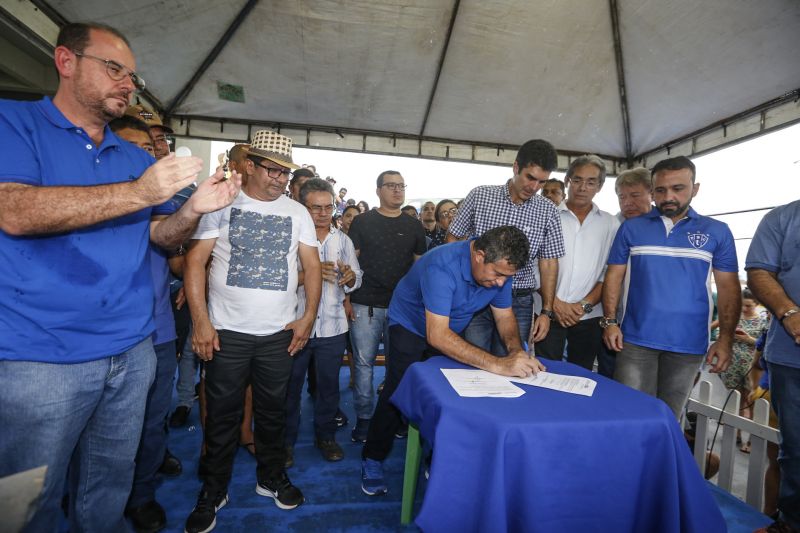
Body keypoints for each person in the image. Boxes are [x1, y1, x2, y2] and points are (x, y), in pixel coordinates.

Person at [0, 22, 240, 532]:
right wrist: (137, 193)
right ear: (66, 61)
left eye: (132, 75)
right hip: (40, 356)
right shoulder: (12, 121)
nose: (128, 84)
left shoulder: (133, 158)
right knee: (24, 498)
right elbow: (13, 210)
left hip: (132, 350)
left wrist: (194, 209)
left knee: (107, 486)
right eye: (114, 69)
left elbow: (161, 235)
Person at [183, 130, 320, 532]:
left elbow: (312, 267)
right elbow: (195, 263)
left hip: (279, 334)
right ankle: (214, 488)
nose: (280, 179)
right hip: (227, 333)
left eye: (285, 172)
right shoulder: (223, 204)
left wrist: (308, 317)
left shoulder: (297, 213)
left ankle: (271, 476)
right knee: (222, 416)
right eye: (273, 170)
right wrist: (201, 322)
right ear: (248, 165)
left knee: (273, 411)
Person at [360, 226, 545, 495]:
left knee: (448, 395)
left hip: (449, 328)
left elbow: (504, 317)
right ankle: (373, 457)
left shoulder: (499, 270)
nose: (501, 283)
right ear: (479, 255)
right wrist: (498, 364)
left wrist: (515, 351)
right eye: (498, 275)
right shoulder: (441, 265)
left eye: (508, 277)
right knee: (398, 390)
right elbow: (436, 335)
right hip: (410, 325)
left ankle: (435, 458)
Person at [601, 156, 739, 419]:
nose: (669, 197)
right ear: (652, 191)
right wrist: (609, 322)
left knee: (669, 418)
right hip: (635, 341)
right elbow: (613, 277)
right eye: (661, 190)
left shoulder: (717, 231)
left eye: (678, 188)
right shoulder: (631, 228)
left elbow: (728, 288)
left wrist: (725, 339)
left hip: (688, 344)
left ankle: (662, 463)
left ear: (694, 189)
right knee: (629, 415)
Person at [448, 139, 564, 356]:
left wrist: (546, 312)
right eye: (530, 177)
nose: (534, 187)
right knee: (472, 362)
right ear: (516, 167)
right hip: (476, 295)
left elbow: (548, 262)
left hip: (518, 299)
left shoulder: (548, 210)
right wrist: (458, 287)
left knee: (512, 362)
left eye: (542, 182)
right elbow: (454, 238)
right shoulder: (480, 196)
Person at [285, 178, 362, 465]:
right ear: (301, 206)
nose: (322, 213)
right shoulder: (290, 238)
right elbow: (279, 282)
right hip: (295, 326)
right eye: (315, 207)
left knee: (329, 389)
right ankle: (286, 444)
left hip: (332, 328)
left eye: (328, 207)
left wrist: (350, 278)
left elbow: (356, 276)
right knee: (290, 389)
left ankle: (326, 438)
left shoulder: (343, 240)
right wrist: (312, 273)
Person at [346, 171, 427, 443]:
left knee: (399, 366)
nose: (397, 191)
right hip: (365, 302)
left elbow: (419, 266)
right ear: (378, 190)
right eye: (391, 186)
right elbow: (351, 263)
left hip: (403, 309)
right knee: (363, 363)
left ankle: (395, 417)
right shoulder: (361, 222)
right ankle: (365, 419)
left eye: (401, 186)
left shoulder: (414, 225)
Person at [536, 155, 619, 370]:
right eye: (577, 180)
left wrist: (583, 306)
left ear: (600, 186)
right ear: (567, 181)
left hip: (588, 315)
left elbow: (610, 273)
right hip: (547, 312)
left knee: (581, 375)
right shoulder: (546, 216)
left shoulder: (611, 224)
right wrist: (554, 303)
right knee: (543, 373)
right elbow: (533, 265)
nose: (583, 187)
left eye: (591, 182)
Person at [747, 199, 800, 533]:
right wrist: (790, 313)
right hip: (791, 358)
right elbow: (758, 271)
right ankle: (790, 522)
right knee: (794, 451)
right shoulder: (783, 218)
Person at [710, 288, 766, 452]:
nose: (744, 309)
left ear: (756, 304)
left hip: (753, 368)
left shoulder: (763, 322)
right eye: (742, 305)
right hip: (734, 366)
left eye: (749, 306)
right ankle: (738, 434)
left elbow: (765, 344)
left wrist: (749, 339)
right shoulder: (734, 318)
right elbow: (717, 330)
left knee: (754, 402)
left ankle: (752, 441)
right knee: (738, 400)